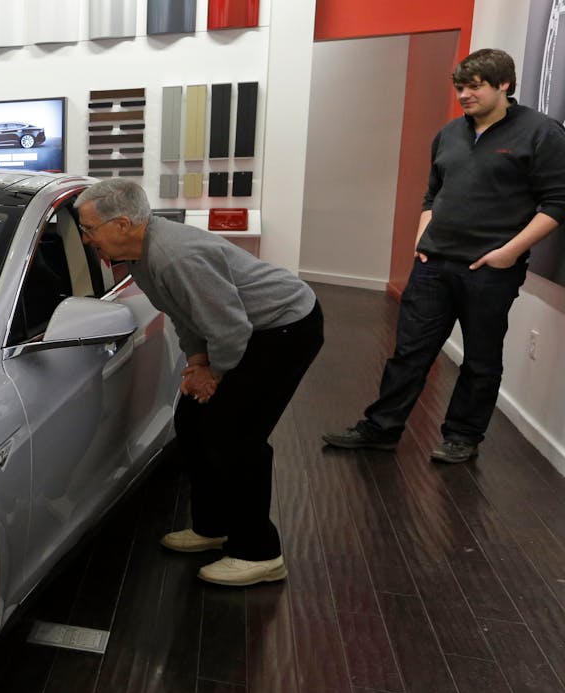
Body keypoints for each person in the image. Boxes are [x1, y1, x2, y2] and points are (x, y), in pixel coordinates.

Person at [76, 179, 323, 586]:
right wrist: (196, 363)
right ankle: (214, 526)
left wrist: (214, 373)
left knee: (236, 436)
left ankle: (259, 552)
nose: (86, 240)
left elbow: (230, 330)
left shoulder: (174, 257)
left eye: (88, 230)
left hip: (283, 328)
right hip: (242, 330)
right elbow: (183, 313)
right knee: (192, 421)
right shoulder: (140, 255)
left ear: (121, 225)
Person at [324, 49, 565, 463]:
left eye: (475, 87)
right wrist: (421, 242)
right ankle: (381, 429)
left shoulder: (541, 132)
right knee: (409, 353)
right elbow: (432, 195)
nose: (464, 95)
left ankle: (462, 436)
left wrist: (507, 254)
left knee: (480, 358)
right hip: (433, 264)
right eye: (460, 87)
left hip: (490, 271)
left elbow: (557, 203)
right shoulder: (450, 134)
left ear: (503, 84)